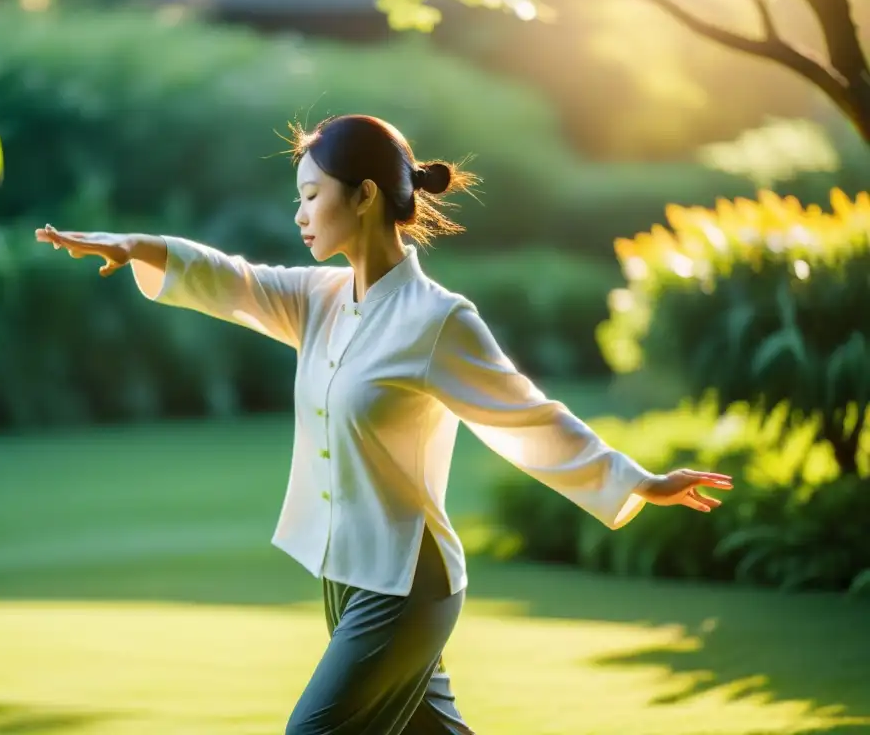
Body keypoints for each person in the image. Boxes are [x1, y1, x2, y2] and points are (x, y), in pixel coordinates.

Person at [36, 114, 733, 734]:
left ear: (364, 195)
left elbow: (526, 415)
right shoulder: (321, 299)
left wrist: (636, 481)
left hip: (406, 583)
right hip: (346, 574)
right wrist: (134, 245)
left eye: (312, 196)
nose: (301, 214)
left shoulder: (437, 320)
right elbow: (233, 280)